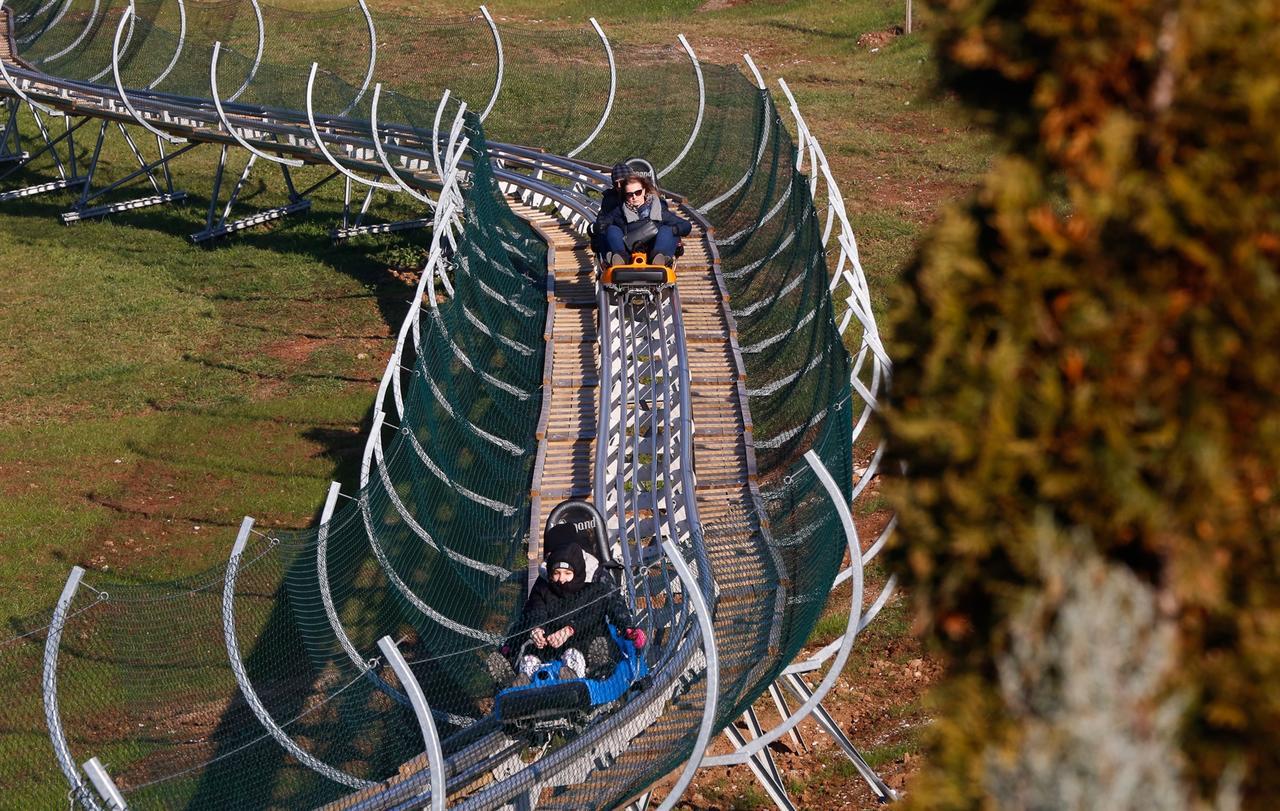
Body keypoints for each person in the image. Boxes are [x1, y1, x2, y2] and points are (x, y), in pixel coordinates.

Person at [488, 527, 646, 688]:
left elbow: (611, 604)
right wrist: (536, 629)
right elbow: (534, 608)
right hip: (552, 635)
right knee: (528, 641)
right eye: (556, 571)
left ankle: (592, 669)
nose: (561, 579)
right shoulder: (547, 579)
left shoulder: (596, 579)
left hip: (583, 632)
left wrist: (627, 627)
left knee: (585, 647)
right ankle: (517, 678)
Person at [594, 173, 691, 268]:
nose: (634, 197)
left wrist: (675, 230)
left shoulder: (658, 210)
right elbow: (602, 226)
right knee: (612, 229)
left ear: (644, 191)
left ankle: (658, 259)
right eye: (629, 194)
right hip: (627, 252)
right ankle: (620, 259)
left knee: (667, 229)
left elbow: (686, 225)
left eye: (638, 192)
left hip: (653, 249)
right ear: (625, 195)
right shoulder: (619, 212)